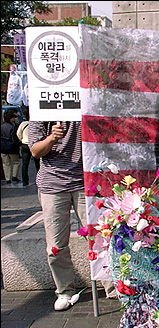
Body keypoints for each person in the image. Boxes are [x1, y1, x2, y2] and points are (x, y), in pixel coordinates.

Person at [29, 121, 116, 311]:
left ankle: (112, 285)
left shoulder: (83, 101)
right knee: (56, 245)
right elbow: (35, 151)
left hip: (85, 181)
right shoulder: (40, 112)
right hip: (52, 186)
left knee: (101, 237)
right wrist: (52, 138)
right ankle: (65, 290)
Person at [16, 119, 40, 186]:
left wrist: (22, 139)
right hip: (34, 144)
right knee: (37, 163)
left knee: (25, 164)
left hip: (25, 144)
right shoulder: (36, 122)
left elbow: (18, 133)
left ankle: (25, 181)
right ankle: (38, 180)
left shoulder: (23, 124)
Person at [1, 109, 22, 184]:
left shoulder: (2, 126)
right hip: (12, 147)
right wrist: (19, 145)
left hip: (3, 147)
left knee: (6, 164)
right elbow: (15, 139)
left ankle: (7, 178)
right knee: (16, 162)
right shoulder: (13, 127)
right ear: (11, 118)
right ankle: (14, 176)